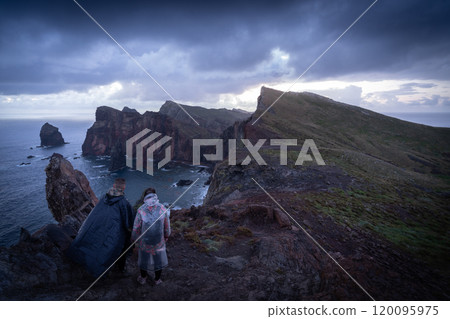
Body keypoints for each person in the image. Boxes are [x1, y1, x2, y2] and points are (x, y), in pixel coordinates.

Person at [66, 178, 134, 277]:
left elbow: (97, 212)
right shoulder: (124, 202)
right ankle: (121, 269)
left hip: (100, 226)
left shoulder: (104, 197)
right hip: (114, 230)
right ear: (124, 187)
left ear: (114, 186)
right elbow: (128, 221)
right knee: (120, 246)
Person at [132, 187, 171, 285]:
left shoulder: (141, 210)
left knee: (144, 260)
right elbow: (167, 226)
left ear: (145, 197)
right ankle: (157, 280)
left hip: (145, 242)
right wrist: (167, 235)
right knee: (158, 261)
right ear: (155, 196)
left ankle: (143, 278)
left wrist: (134, 238)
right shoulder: (162, 208)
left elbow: (136, 227)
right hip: (159, 242)